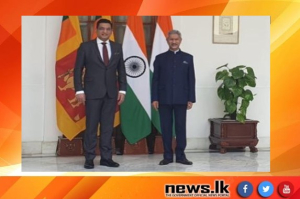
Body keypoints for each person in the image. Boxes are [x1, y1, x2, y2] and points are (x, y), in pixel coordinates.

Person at [74, 19, 127, 169]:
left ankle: (106, 158)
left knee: (107, 127)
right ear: (97, 30)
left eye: (108, 29)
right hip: (92, 93)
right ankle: (89, 158)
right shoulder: (86, 47)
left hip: (111, 94)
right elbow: (78, 70)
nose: (105, 32)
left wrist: (122, 89)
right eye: (102, 29)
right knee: (91, 127)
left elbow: (121, 70)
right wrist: (79, 90)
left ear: (111, 31)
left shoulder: (117, 47)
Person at [151, 30, 196, 165]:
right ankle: (168, 156)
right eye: (171, 39)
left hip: (182, 99)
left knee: (181, 127)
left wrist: (191, 98)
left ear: (180, 40)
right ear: (167, 41)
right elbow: (156, 80)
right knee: (166, 128)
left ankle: (181, 155)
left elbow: (191, 79)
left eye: (176, 39)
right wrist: (155, 98)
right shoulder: (160, 58)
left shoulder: (188, 58)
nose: (174, 42)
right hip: (164, 99)